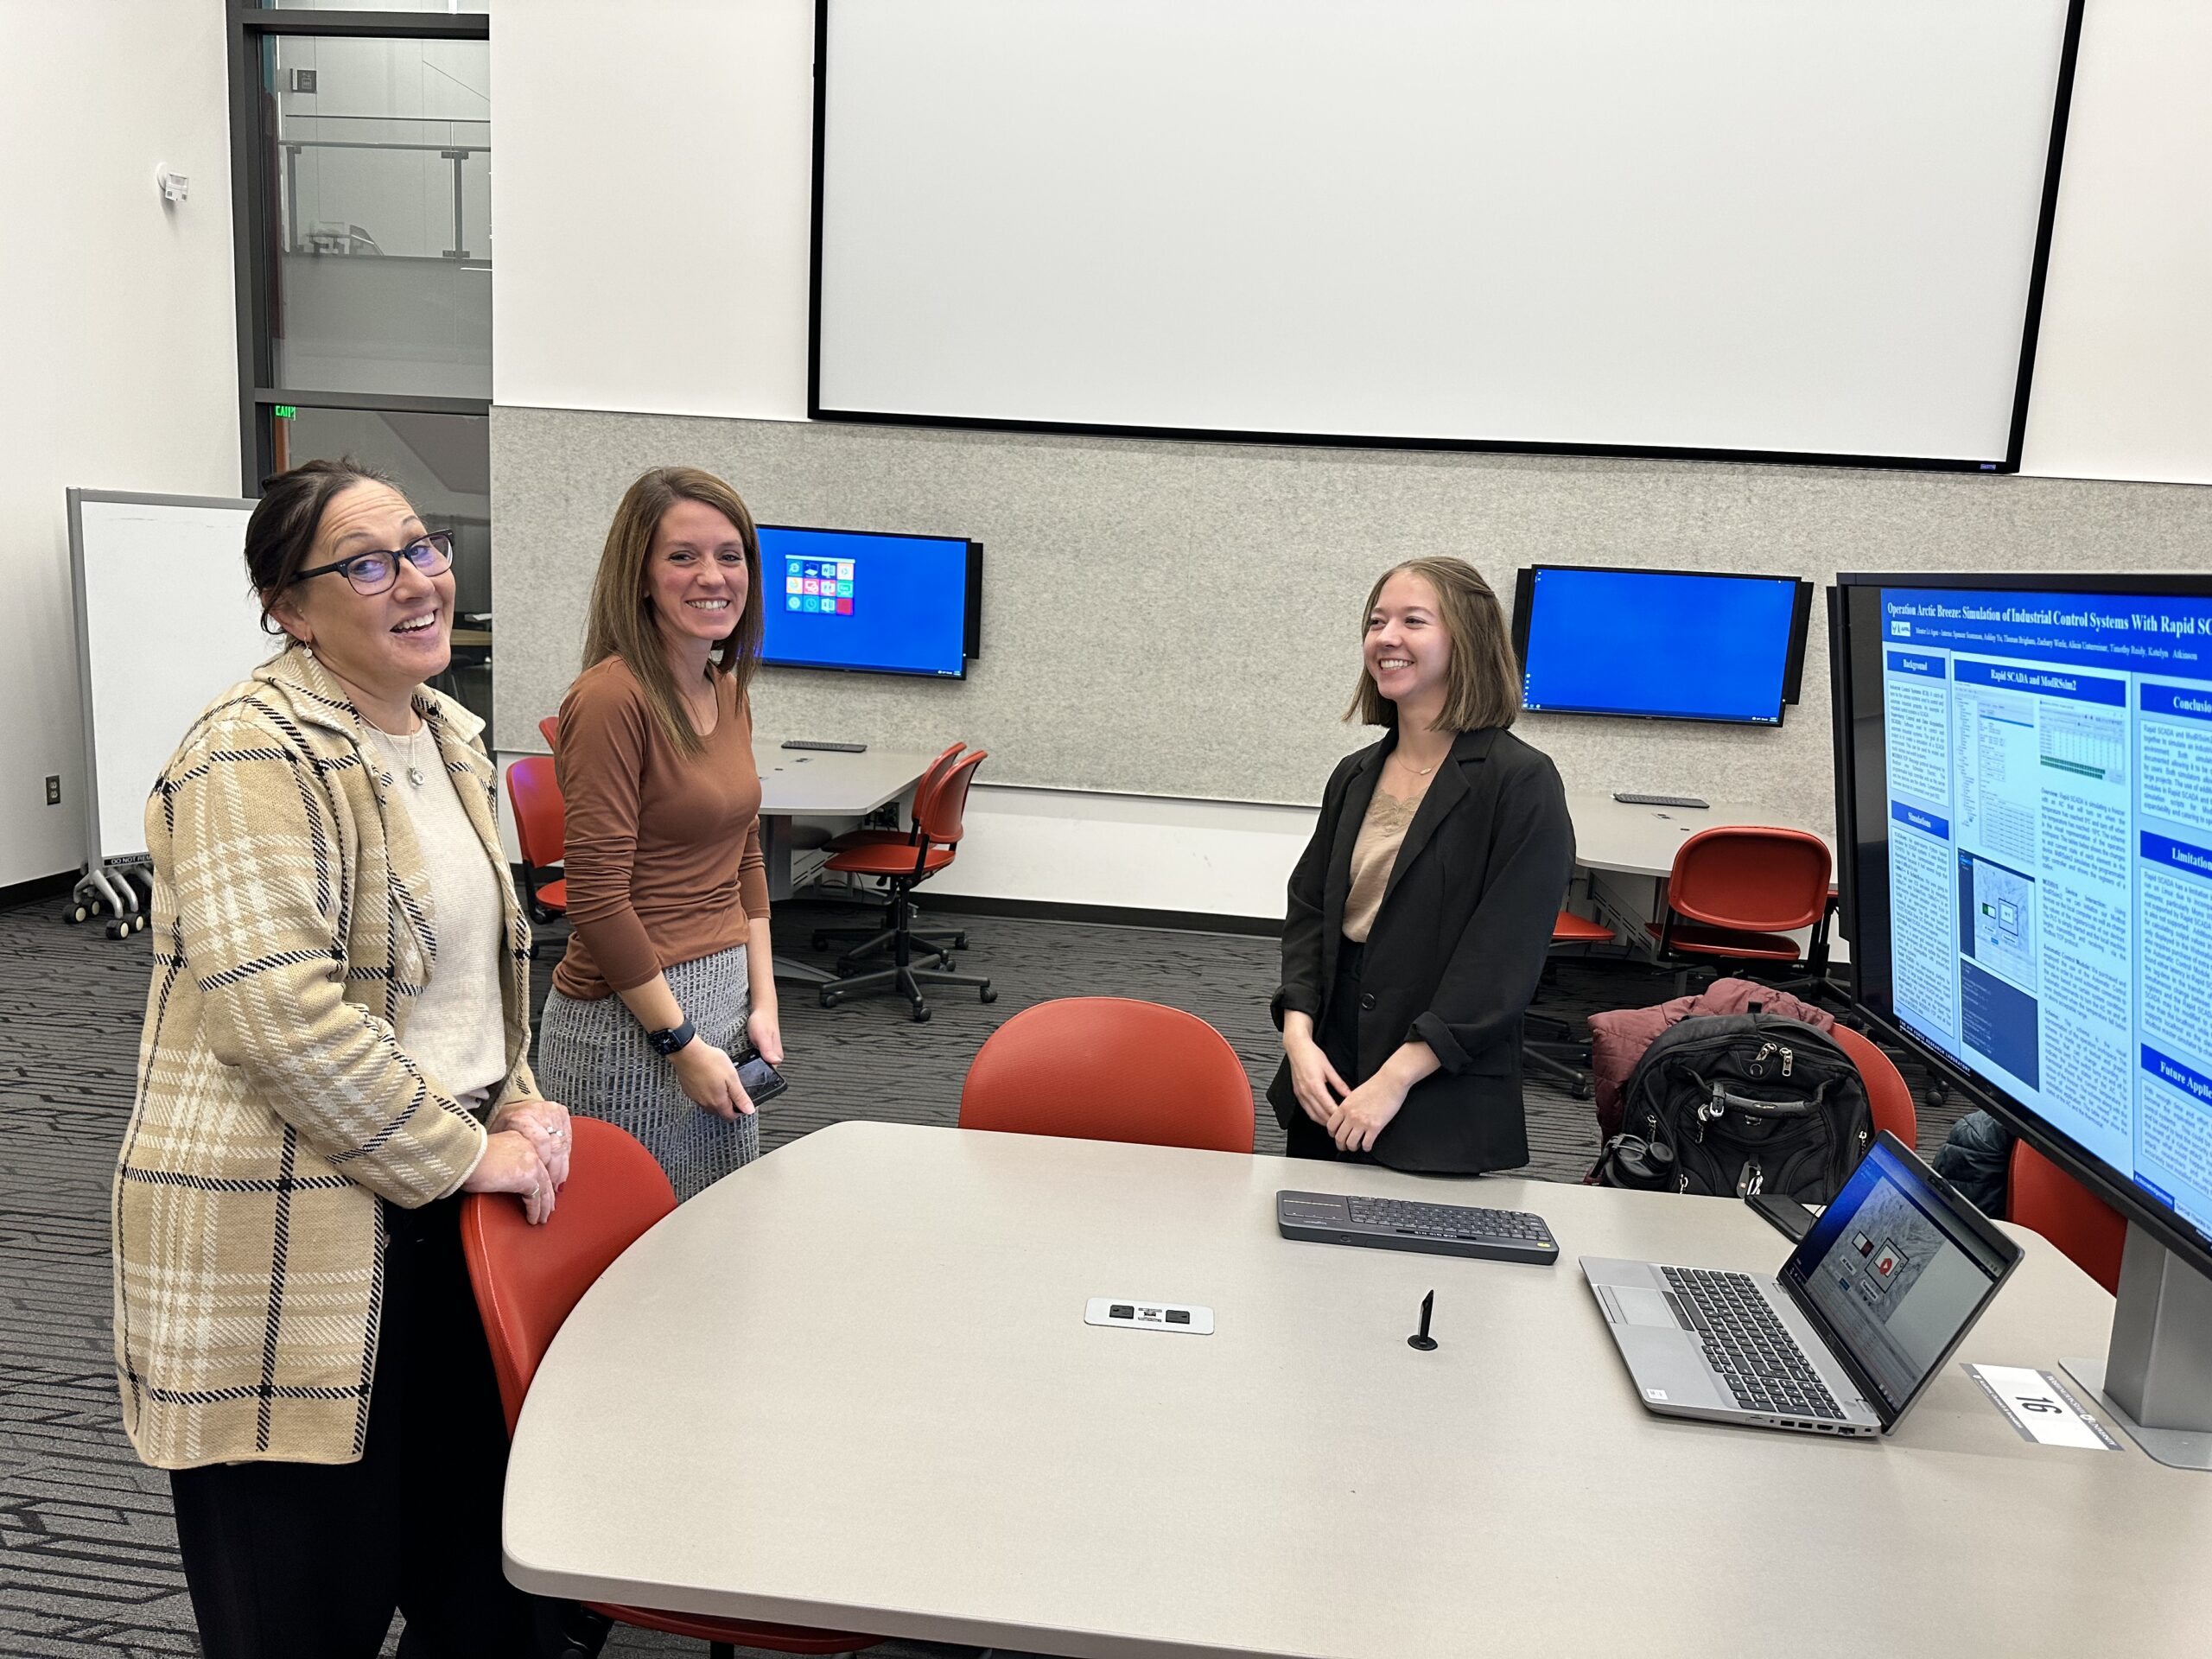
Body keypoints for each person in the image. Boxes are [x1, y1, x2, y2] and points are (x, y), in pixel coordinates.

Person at [113, 459, 572, 1657]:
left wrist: (519, 1107)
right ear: (288, 606)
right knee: (301, 1610)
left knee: (488, 1586)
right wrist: (466, 1151)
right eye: (367, 563)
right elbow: (281, 1017)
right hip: (287, 1224)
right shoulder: (248, 754)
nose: (417, 580)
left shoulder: (445, 735)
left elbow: (479, 977)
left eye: (423, 548)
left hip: (439, 1214)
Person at [1269, 556, 1575, 1173]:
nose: (1386, 638)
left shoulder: (1520, 782)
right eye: (1377, 621)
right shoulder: (1356, 773)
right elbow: (1309, 913)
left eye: (1413, 621)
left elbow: (1501, 964)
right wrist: (1298, 1038)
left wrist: (1396, 1079)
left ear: (1466, 639)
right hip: (1328, 1067)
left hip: (1438, 1078)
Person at [538, 466, 781, 1201]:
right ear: (639, 576)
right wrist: (677, 1043)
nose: (713, 576)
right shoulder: (612, 698)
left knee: (717, 1233)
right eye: (683, 556)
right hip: (631, 1026)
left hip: (723, 1004)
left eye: (730, 555)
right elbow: (600, 900)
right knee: (633, 1255)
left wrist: (763, 1002)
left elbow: (745, 858)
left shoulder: (726, 688)